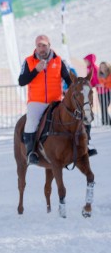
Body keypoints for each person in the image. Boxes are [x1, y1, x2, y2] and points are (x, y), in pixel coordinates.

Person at [18, 34, 91, 165]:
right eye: (39, 46)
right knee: (32, 122)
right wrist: (36, 70)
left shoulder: (59, 61)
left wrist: (73, 89)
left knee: (75, 115)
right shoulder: (28, 61)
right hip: (37, 101)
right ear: (36, 47)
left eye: (44, 45)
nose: (42, 49)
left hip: (56, 100)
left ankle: (84, 147)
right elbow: (22, 81)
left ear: (49, 46)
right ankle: (31, 153)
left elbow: (69, 79)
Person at [97, 61, 111, 125]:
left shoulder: (109, 74)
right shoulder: (100, 74)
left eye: (104, 66)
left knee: (104, 107)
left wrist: (104, 85)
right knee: (103, 108)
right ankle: (105, 121)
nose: (103, 68)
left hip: (108, 92)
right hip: (101, 93)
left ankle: (107, 121)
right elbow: (101, 83)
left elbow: (108, 84)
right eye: (101, 67)